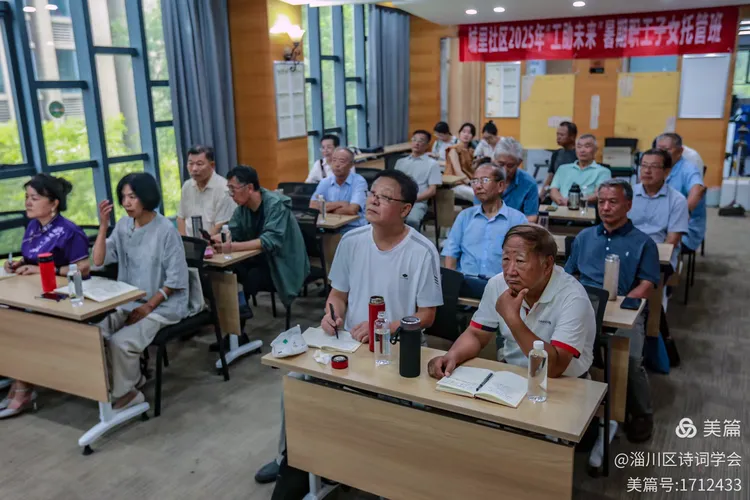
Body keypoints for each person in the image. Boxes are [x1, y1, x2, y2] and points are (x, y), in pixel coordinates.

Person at [255, 169, 443, 484]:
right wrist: (332, 314)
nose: (373, 201)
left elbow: (427, 315)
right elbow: (338, 295)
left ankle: (364, 469)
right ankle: (289, 457)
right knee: (298, 382)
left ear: (405, 209)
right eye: (372, 194)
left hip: (398, 347)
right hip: (351, 342)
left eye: (385, 197)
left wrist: (384, 327)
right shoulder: (352, 240)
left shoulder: (422, 251)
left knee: (384, 405)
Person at [428, 224, 596, 382]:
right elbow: (477, 334)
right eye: (506, 259)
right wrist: (452, 356)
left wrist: (512, 318)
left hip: (564, 381)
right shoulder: (497, 284)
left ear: (547, 264)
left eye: (520, 261)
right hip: (513, 374)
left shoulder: (573, 297)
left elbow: (554, 368)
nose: (510, 271)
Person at [564, 178, 661, 443]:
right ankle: (575, 410)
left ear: (628, 205)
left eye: (613, 202)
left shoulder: (643, 242)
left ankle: (641, 413)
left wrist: (621, 304)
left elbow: (647, 284)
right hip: (583, 305)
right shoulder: (584, 237)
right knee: (562, 350)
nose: (605, 208)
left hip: (624, 309)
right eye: (601, 202)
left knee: (630, 361)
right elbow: (569, 274)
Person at [92, 173, 189, 410]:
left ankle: (128, 394)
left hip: (163, 304)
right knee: (95, 334)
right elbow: (98, 260)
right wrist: (103, 226)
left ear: (146, 197)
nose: (126, 203)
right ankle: (130, 380)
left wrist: (148, 307)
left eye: (132, 197)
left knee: (121, 342)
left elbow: (175, 279)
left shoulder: (165, 230)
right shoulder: (123, 226)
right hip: (129, 300)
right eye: (123, 197)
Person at [0, 174, 90, 419]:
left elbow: (83, 269)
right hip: (33, 293)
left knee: (22, 327)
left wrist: (42, 270)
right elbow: (32, 259)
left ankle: (23, 387)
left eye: (35, 198)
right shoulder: (33, 226)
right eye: (27, 197)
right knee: (8, 321)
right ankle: (20, 380)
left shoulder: (69, 231)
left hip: (64, 298)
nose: (28, 203)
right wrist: (18, 264)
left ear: (54, 203)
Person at [217, 165, 309, 308]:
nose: (231, 194)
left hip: (283, 262)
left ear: (249, 188)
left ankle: (241, 313)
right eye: (229, 190)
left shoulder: (275, 205)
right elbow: (233, 231)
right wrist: (217, 239)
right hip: (260, 259)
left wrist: (232, 247)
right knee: (231, 270)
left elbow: (270, 241)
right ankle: (236, 315)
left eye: (233, 189)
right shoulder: (242, 209)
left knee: (250, 276)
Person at [442, 163, 527, 299]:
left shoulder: (517, 219)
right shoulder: (465, 216)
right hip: (466, 281)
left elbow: (523, 259)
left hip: (501, 285)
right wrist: (449, 286)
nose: (478, 186)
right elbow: (451, 253)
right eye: (474, 181)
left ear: (501, 186)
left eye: (485, 180)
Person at [629, 149, 689, 270]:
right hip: (628, 251)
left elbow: (672, 240)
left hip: (659, 255)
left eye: (654, 166)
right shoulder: (628, 194)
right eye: (644, 165)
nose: (647, 171)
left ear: (667, 171)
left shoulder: (677, 200)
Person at [655, 133, 707, 252]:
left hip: (684, 230)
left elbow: (698, 190)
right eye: (659, 150)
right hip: (659, 223)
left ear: (680, 151)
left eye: (666, 150)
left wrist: (682, 214)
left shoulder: (688, 169)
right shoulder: (656, 168)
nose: (661, 154)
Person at [177, 145, 236, 237]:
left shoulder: (223, 188)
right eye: (191, 164)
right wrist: (184, 241)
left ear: (212, 165)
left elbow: (221, 225)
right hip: (190, 243)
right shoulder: (187, 186)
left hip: (213, 242)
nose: (194, 169)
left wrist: (204, 242)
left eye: (199, 164)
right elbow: (181, 217)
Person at [309, 147, 368, 232]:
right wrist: (341, 204)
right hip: (329, 229)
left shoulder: (359, 182)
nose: (337, 165)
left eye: (341, 161)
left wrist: (325, 209)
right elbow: (313, 206)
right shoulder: (325, 182)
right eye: (334, 160)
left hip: (354, 229)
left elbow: (352, 210)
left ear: (351, 165)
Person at [394, 130, 442, 230]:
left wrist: (413, 199)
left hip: (417, 202)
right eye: (414, 140)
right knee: (384, 216)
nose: (417, 143)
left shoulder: (432, 164)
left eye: (421, 141)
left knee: (412, 220)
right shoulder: (400, 162)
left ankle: (412, 240)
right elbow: (393, 184)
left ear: (427, 145)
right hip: (398, 201)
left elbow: (432, 190)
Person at [549, 134, 611, 206]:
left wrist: (573, 202)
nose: (582, 150)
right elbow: (553, 190)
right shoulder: (562, 168)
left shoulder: (603, 172)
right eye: (579, 147)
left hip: (583, 210)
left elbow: (599, 195)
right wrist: (561, 201)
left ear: (595, 150)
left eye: (587, 146)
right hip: (558, 209)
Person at [494, 137, 539, 222]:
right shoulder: (484, 179)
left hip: (516, 228)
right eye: (501, 164)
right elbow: (478, 212)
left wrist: (511, 227)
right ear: (494, 160)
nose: (504, 170)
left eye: (510, 166)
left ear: (519, 163)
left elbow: (531, 217)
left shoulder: (529, 183)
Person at [541, 121, 578, 200]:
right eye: (557, 134)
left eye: (562, 135)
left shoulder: (579, 155)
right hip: (555, 195)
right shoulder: (557, 153)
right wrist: (541, 195)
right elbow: (551, 176)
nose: (558, 137)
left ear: (572, 137)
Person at [444, 122, 478, 201]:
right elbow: (458, 171)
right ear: (459, 134)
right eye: (464, 131)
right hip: (456, 184)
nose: (466, 134)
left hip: (468, 183)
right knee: (478, 195)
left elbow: (473, 170)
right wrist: (471, 183)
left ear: (472, 136)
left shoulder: (472, 151)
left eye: (469, 133)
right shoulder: (454, 150)